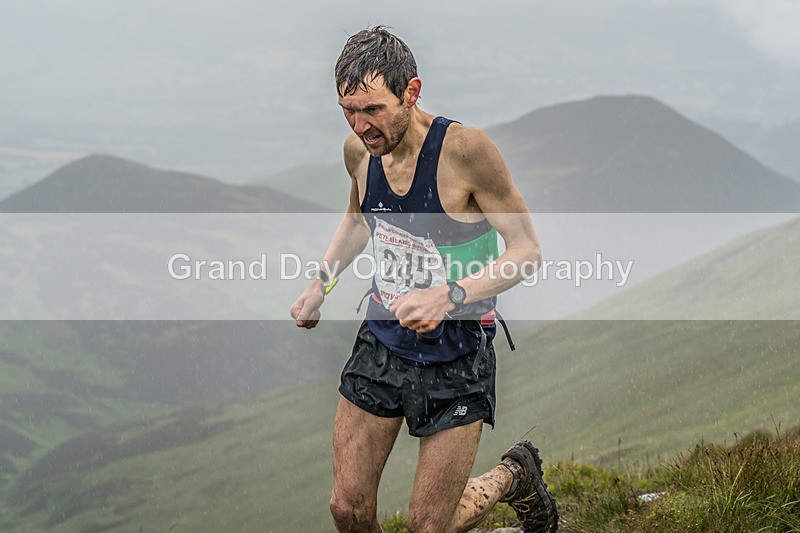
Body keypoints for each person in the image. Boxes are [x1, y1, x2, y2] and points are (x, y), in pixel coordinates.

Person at [290, 26, 558, 533]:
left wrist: (451, 294)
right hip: (382, 340)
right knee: (346, 508)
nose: (361, 126)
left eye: (373, 110)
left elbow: (527, 252)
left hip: (457, 350)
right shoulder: (359, 153)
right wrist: (318, 285)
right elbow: (357, 220)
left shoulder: (466, 151)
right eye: (349, 109)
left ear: (411, 92)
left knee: (427, 527)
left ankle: (512, 475)